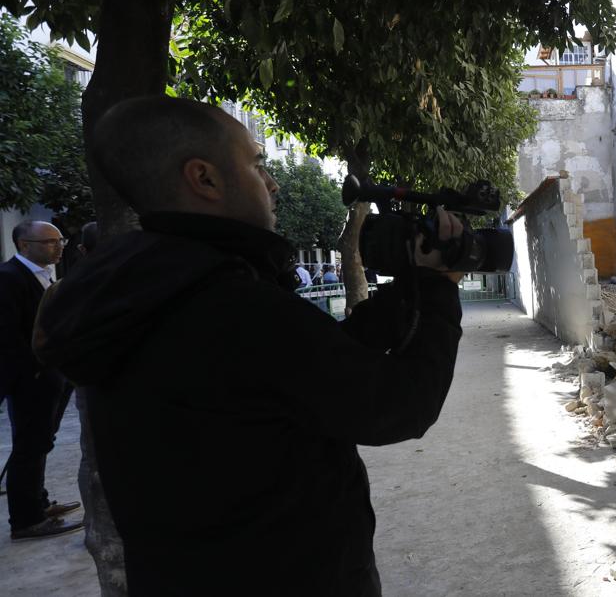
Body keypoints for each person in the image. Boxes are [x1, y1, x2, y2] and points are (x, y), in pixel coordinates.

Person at [35, 96, 465, 595]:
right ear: (205, 178)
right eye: (258, 165)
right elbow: (399, 406)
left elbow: (304, 366)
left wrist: (408, 292)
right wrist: (439, 289)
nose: (273, 182)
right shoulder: (227, 305)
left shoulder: (146, 285)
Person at [0, 220, 83, 540]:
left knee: (42, 441)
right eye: (49, 241)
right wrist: (33, 370)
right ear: (24, 245)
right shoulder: (8, 279)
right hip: (30, 379)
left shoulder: (47, 274)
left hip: (53, 374)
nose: (58, 245)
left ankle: (40, 501)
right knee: (29, 445)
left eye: (60, 239)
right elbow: (7, 336)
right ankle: (27, 519)